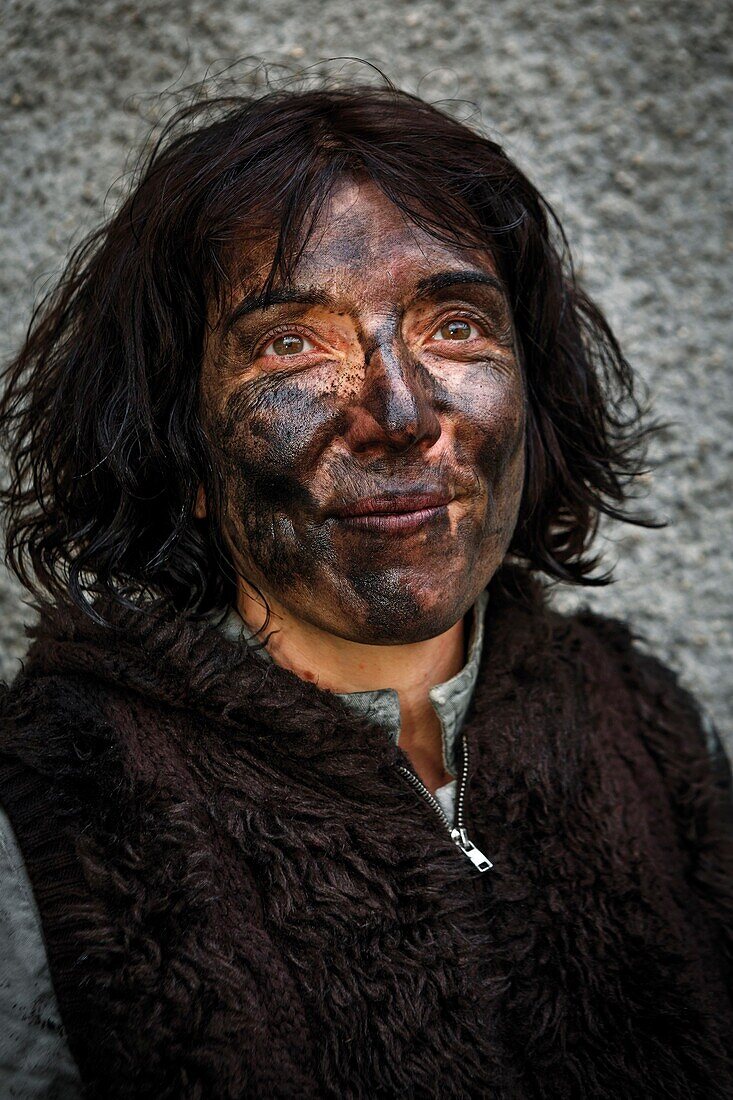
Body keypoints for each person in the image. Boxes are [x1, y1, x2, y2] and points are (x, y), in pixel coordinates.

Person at [0, 77, 731, 1100]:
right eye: (291, 341)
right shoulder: (55, 808)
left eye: (455, 326)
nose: (398, 409)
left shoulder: (649, 733)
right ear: (179, 442)